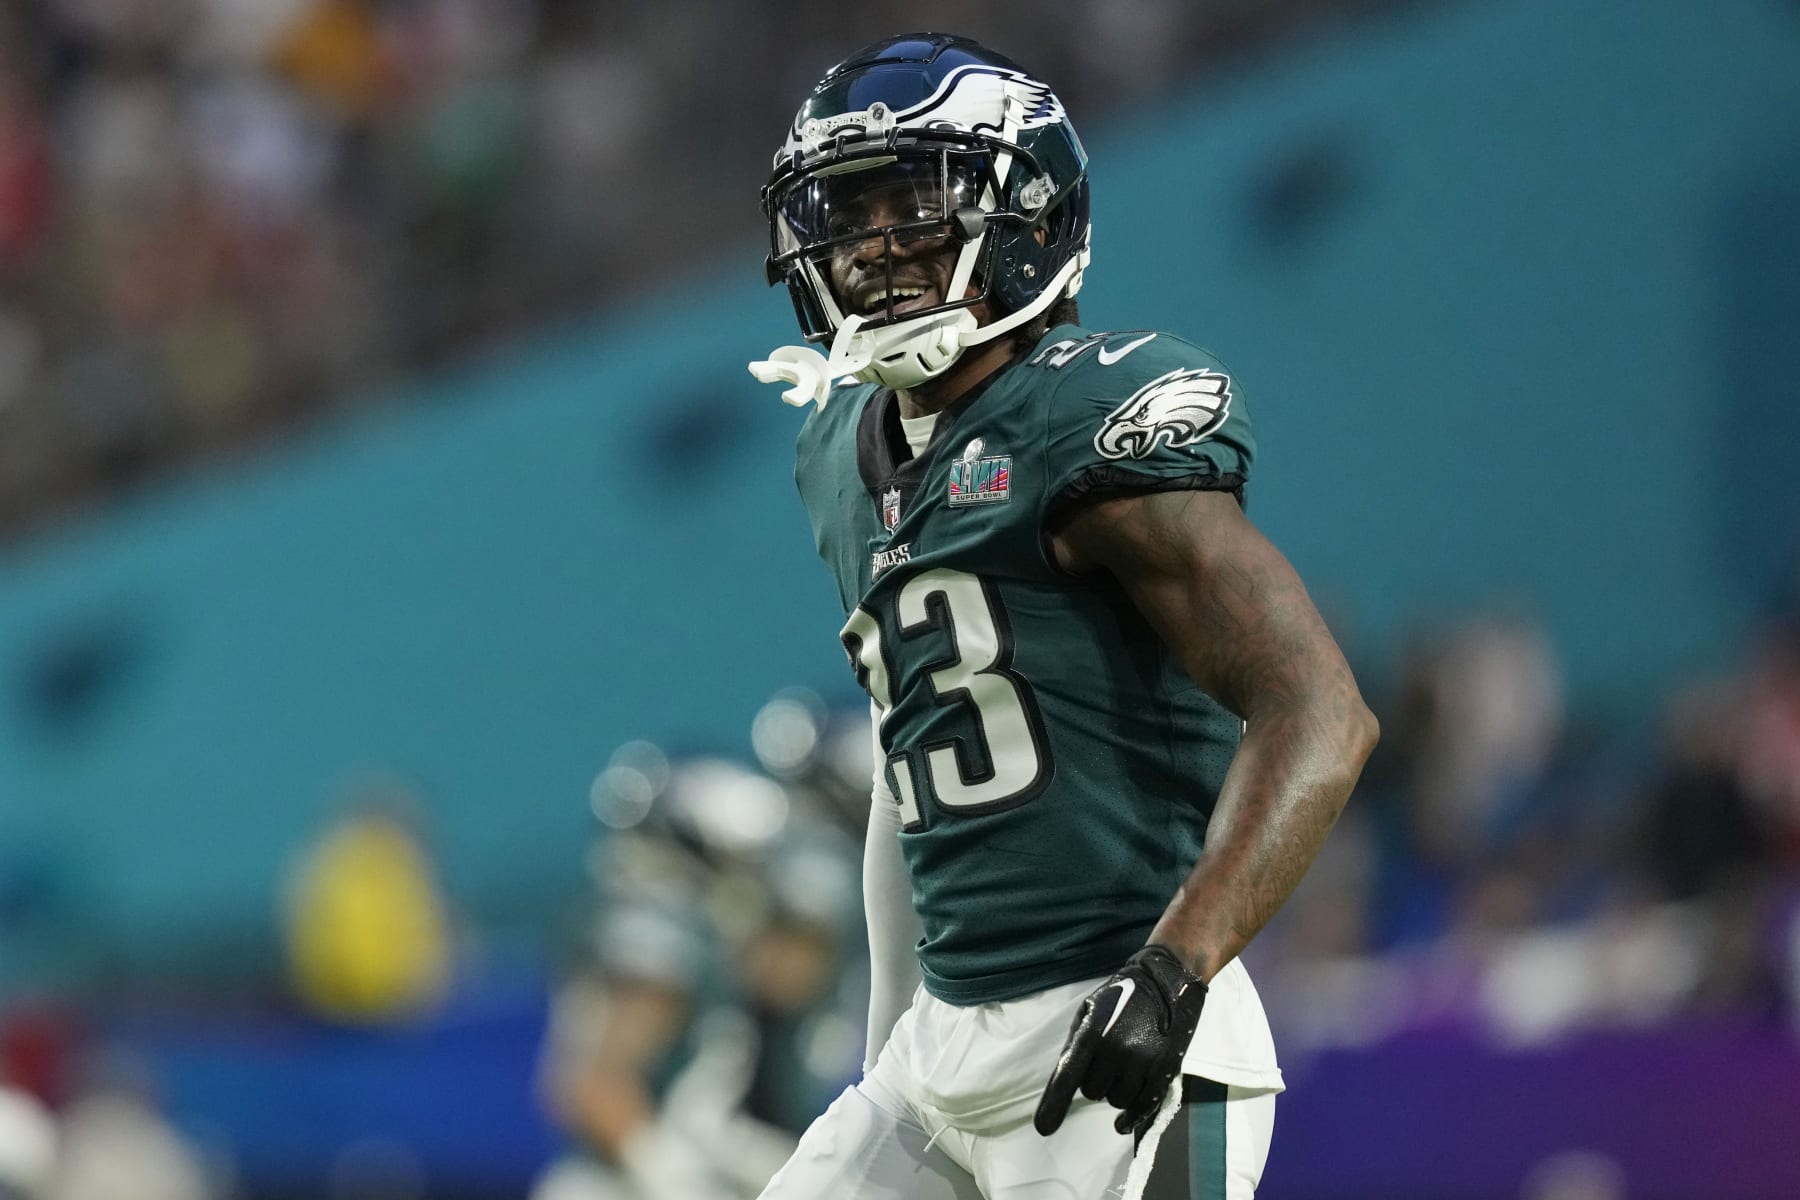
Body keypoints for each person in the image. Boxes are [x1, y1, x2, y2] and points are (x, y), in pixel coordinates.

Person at [748, 33, 1377, 1200]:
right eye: (851, 213)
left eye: (913, 212)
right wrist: (892, 1034)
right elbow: (913, 760)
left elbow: (1319, 710)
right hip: (942, 1053)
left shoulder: (1085, 419)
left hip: (1117, 1033)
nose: (873, 250)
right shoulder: (840, 447)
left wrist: (1175, 970)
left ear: (1027, 216)